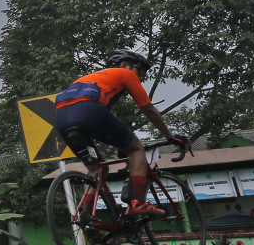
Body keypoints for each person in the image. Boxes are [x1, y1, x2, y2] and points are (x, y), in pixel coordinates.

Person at [53, 48, 187, 216]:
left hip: (61, 119)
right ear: (124, 65)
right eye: (140, 70)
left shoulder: (87, 79)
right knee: (136, 149)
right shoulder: (125, 74)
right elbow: (147, 109)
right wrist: (169, 135)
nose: (141, 77)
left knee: (97, 169)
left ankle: (86, 215)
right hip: (89, 110)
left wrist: (119, 143)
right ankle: (138, 203)